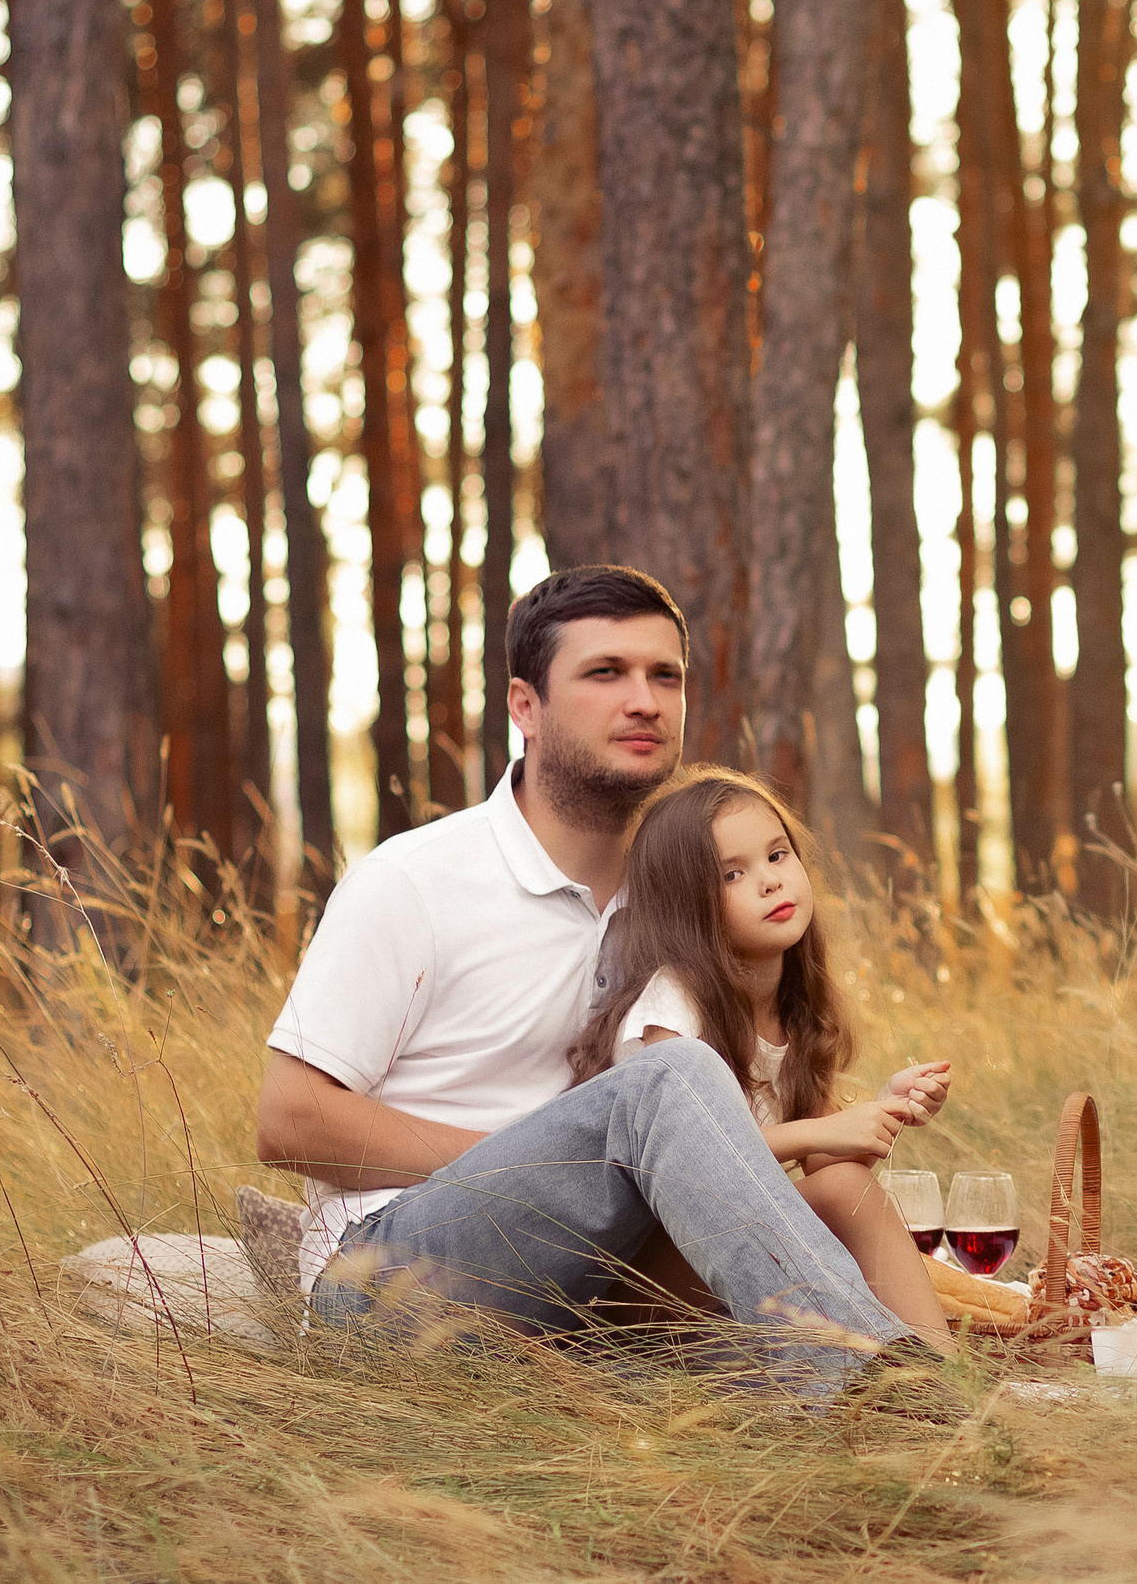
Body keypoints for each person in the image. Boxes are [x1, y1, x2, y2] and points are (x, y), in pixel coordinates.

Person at [253, 565, 930, 1399]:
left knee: (806, 1272)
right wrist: (555, 1164)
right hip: (393, 1275)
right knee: (665, 1084)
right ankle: (874, 1386)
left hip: (594, 1284)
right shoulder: (416, 880)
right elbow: (287, 1119)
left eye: (664, 675)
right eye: (605, 672)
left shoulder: (686, 895)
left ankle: (936, 1407)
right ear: (524, 706)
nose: (643, 699)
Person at [563, 766, 956, 1344]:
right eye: (732, 874)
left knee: (847, 1184)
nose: (771, 882)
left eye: (777, 856)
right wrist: (826, 1134)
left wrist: (882, 1112)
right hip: (641, 1277)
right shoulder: (675, 1007)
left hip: (727, 1254)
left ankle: (922, 1371)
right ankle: (943, 1379)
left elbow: (827, 1168)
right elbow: (695, 1166)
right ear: (685, 906)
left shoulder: (795, 1007)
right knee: (845, 1190)